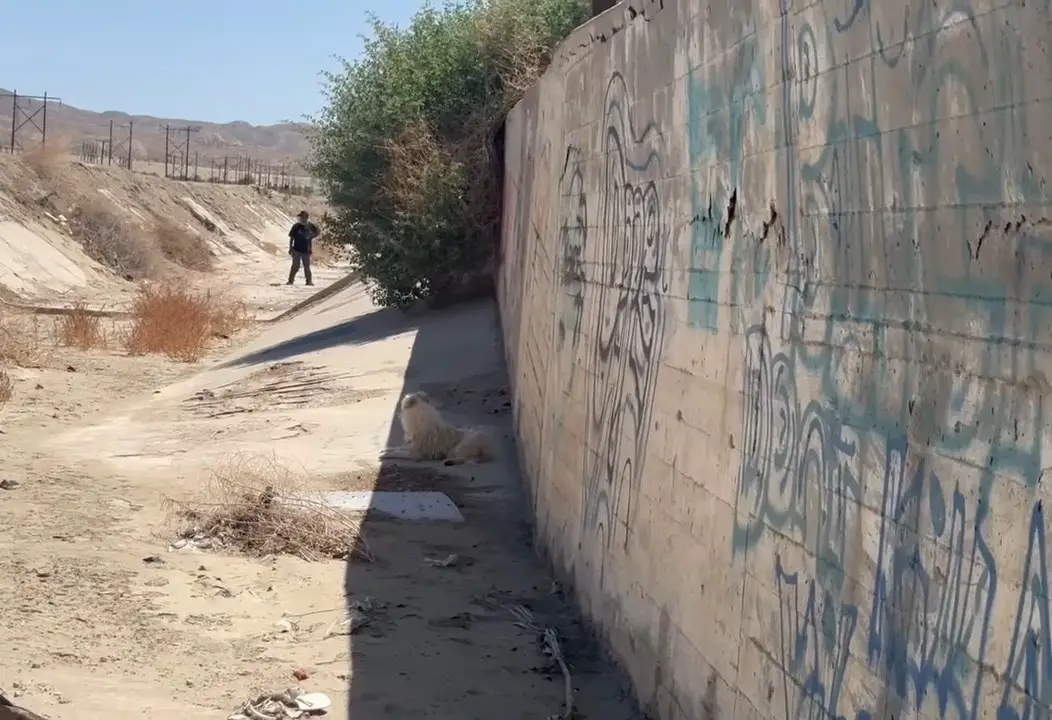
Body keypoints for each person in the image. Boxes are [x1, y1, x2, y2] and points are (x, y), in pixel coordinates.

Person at [287, 210, 319, 286]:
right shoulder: (296, 226)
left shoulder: (310, 226)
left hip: (306, 250)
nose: (301, 218)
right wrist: (290, 248)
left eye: (303, 217)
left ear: (307, 217)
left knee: (307, 267)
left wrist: (311, 237)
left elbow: (317, 231)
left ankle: (309, 281)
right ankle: (290, 280)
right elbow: (291, 237)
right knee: (295, 266)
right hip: (296, 249)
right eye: (300, 217)